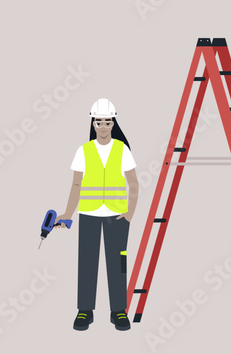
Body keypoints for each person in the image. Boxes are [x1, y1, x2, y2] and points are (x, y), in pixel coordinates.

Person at [55, 98, 139, 331]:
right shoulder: (84, 151)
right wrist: (68, 214)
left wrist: (130, 213)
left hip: (117, 215)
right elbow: (76, 186)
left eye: (107, 122)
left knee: (118, 263)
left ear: (113, 124)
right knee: (87, 261)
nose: (103, 127)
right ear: (93, 124)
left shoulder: (122, 150)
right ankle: (85, 311)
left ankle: (118, 311)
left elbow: (133, 183)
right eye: (99, 122)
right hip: (89, 213)